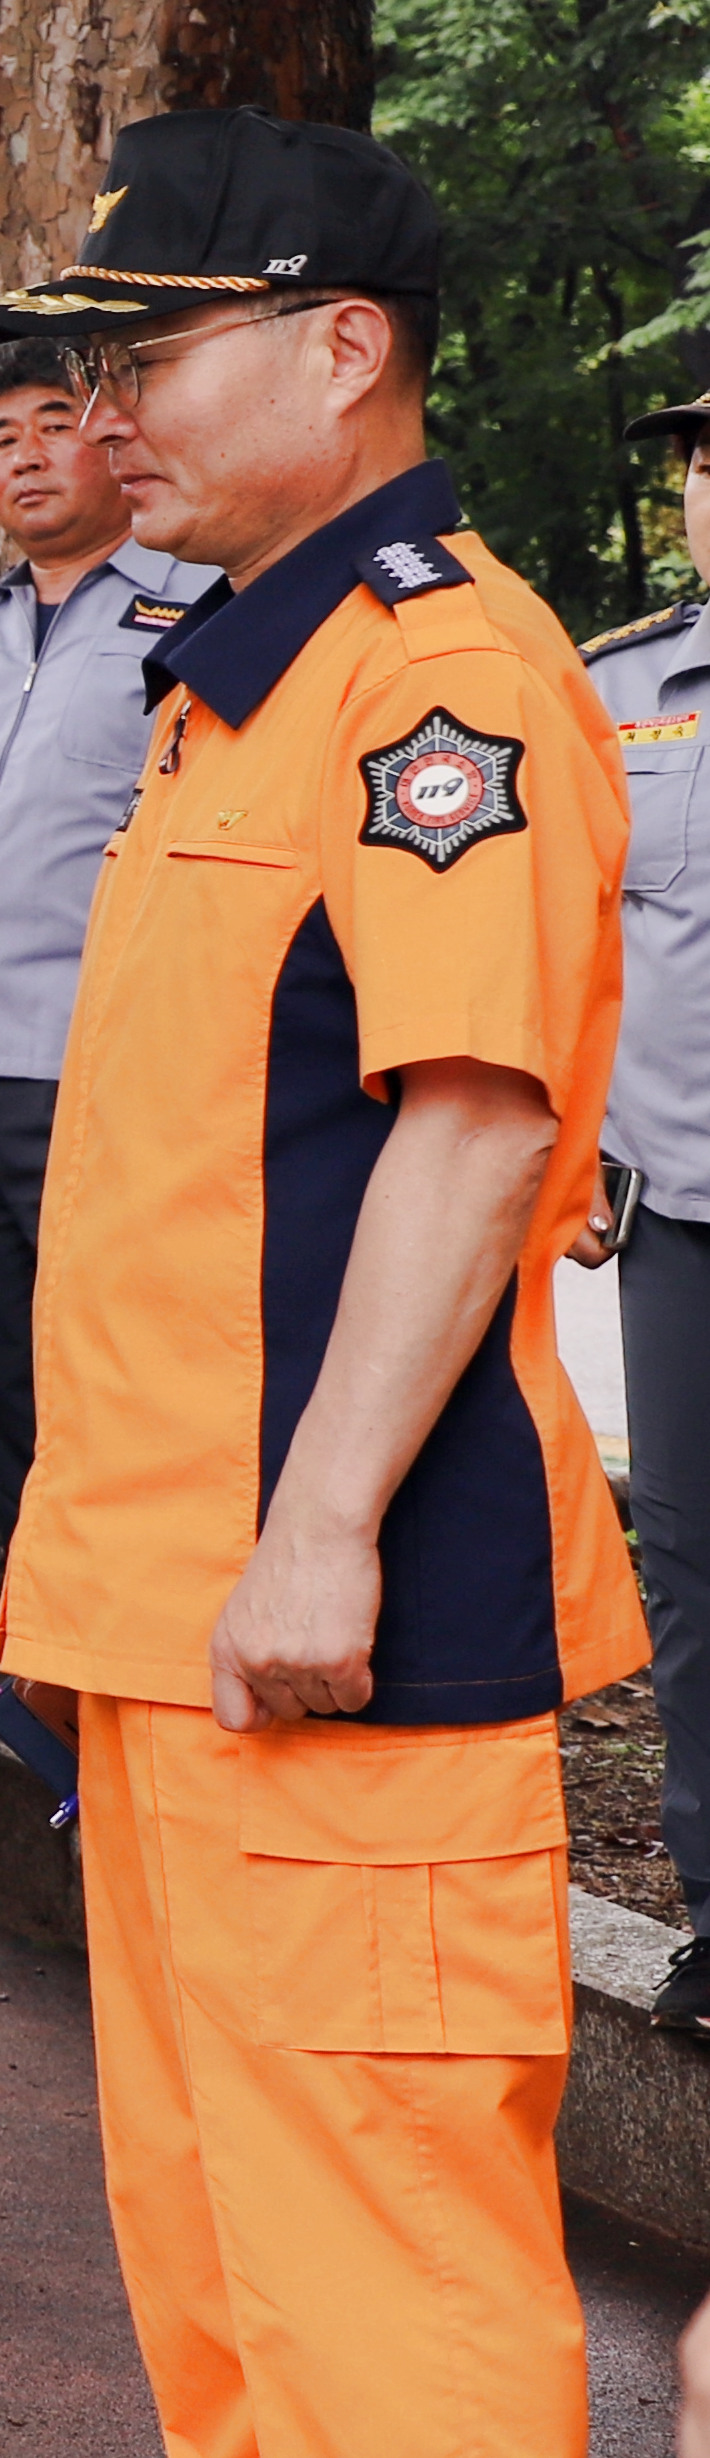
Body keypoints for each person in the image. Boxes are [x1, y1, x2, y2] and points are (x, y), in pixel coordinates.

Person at [0, 112, 630, 2458]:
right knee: (216, 2196)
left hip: (346, 1595)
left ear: (344, 344)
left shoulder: (443, 682)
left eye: (158, 347)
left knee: (386, 2202)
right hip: (174, 1597)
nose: (102, 409)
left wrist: (322, 1508)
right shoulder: (250, 677)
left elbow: (466, 1120)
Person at [0, 341, 219, 1533]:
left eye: (51, 423)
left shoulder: (194, 609)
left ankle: (125, 1643)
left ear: (115, 439)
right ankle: (32, 1643)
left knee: (116, 1371)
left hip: (99, 1071)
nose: (22, 455)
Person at [574, 348, 710, 2049]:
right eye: (694, 465)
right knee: (689, 1571)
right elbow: (572, 945)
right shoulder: (620, 692)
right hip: (678, 1210)